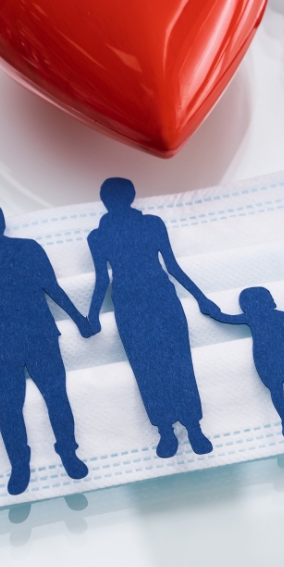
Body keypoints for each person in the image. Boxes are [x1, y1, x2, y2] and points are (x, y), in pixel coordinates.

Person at [0, 203, 94, 495]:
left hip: (22, 338)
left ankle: (45, 459)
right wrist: (79, 319)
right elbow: (52, 288)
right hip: (23, 338)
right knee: (43, 400)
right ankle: (38, 461)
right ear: (2, 222)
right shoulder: (16, 252)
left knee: (17, 406)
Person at [85, 177, 215, 458]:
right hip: (145, 302)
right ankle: (177, 430)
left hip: (148, 301)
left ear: (106, 200)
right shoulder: (114, 233)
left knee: (156, 367)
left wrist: (93, 315)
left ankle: (182, 429)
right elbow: (171, 268)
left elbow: (103, 281)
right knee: (165, 364)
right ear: (131, 196)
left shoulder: (130, 229)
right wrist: (201, 298)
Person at [203, 286, 284, 438]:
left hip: (282, 352)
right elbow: (226, 318)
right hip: (269, 355)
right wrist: (213, 312)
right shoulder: (255, 317)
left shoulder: (272, 315)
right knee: (280, 389)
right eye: (268, 296)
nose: (271, 299)